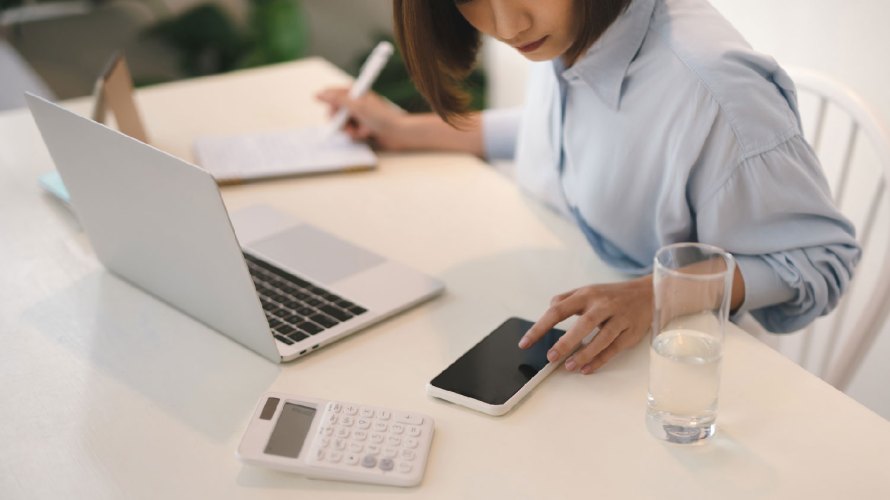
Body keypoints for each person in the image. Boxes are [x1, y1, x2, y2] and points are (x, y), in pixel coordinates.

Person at [317, 0, 860, 375]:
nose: (506, 23)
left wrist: (653, 295)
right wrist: (403, 130)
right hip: (579, 319)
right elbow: (557, 136)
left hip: (678, 372)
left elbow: (820, 258)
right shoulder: (573, 27)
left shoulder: (716, 91)